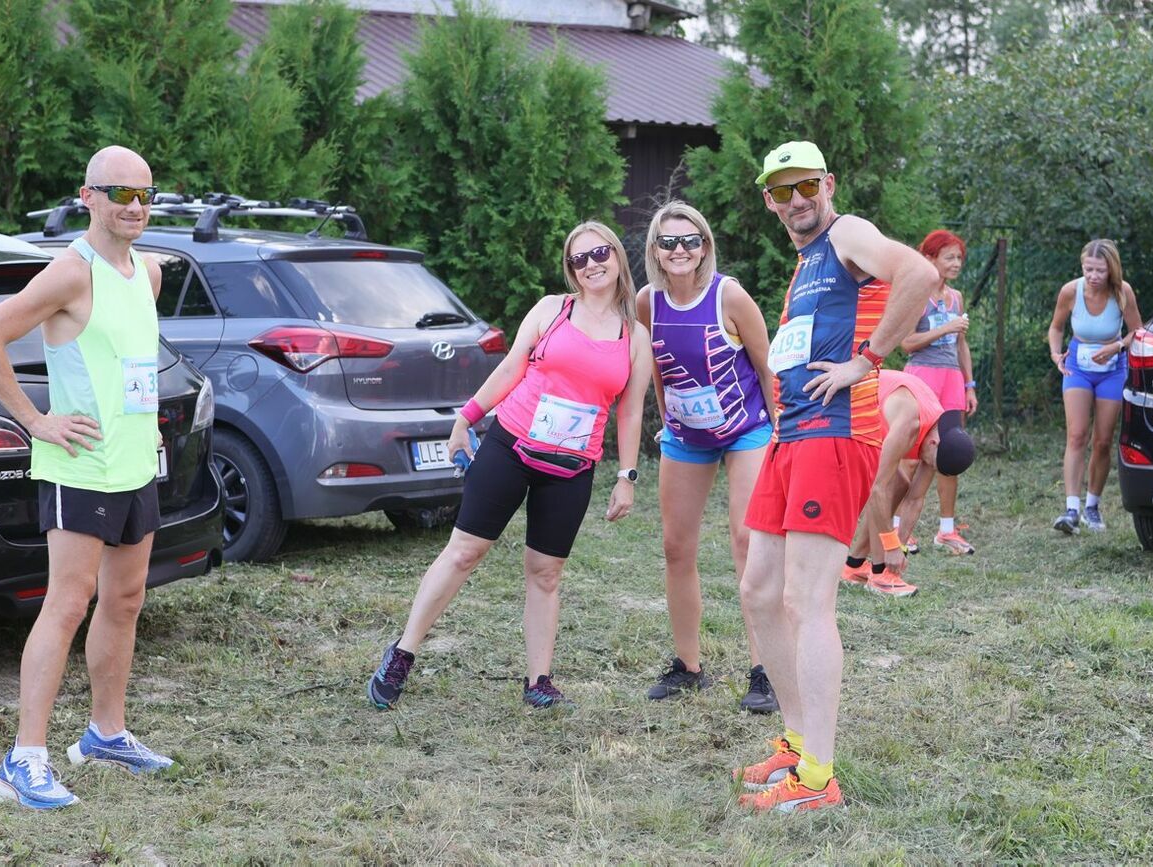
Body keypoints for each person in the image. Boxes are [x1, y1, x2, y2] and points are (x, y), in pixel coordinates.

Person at [0, 146, 173, 810]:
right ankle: (22, 760)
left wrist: (147, 423)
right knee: (67, 604)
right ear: (88, 196)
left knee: (126, 600)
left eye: (145, 194)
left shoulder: (149, 272)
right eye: (120, 193)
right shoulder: (70, 272)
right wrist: (35, 420)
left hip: (134, 464)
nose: (134, 206)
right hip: (80, 467)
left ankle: (106, 734)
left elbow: (130, 359)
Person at [367, 221, 652, 710]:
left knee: (546, 572)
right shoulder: (552, 310)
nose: (591, 264)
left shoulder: (635, 337)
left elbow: (630, 412)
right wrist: (466, 418)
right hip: (510, 446)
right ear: (571, 269)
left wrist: (626, 477)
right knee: (464, 552)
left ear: (617, 256)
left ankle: (538, 680)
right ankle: (402, 653)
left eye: (600, 253)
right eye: (579, 259)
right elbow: (512, 367)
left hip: (571, 467)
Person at [732, 141, 937, 813]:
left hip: (836, 432)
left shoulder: (847, 233)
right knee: (759, 589)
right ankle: (797, 743)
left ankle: (818, 778)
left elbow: (919, 275)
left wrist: (867, 361)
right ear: (769, 200)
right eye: (781, 190)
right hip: (792, 436)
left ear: (829, 185)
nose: (796, 200)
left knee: (806, 599)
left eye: (806, 186)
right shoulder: (806, 262)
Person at [633, 202, 779, 712]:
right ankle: (688, 667)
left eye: (690, 240)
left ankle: (766, 672)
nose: (680, 250)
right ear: (655, 250)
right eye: (668, 241)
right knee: (676, 548)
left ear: (704, 247)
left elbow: (767, 368)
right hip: (686, 437)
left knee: (747, 543)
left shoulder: (729, 296)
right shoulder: (647, 302)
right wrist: (667, 422)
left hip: (747, 431)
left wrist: (780, 434)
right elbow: (656, 369)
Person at [842, 368, 977, 597]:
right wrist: (890, 547)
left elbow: (915, 498)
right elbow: (877, 489)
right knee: (887, 486)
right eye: (932, 464)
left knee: (902, 483)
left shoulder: (937, 439)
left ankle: (854, 566)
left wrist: (900, 548)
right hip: (845, 411)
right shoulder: (910, 424)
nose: (928, 467)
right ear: (934, 444)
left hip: (871, 419)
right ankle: (879, 575)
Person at [1047, 239, 1141, 534]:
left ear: (1111, 269)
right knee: (1076, 435)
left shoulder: (1123, 292)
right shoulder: (1070, 291)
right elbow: (1056, 327)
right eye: (1088, 269)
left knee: (1102, 440)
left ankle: (1092, 506)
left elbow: (1137, 332)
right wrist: (1055, 354)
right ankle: (1071, 509)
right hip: (1077, 367)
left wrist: (1116, 346)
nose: (1093, 276)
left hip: (1112, 370)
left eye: (1100, 270)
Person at [899, 229, 977, 555]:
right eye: (949, 257)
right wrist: (946, 327)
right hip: (922, 378)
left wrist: (969, 385)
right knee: (910, 456)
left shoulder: (956, 297)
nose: (956, 263)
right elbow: (906, 344)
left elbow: (961, 344)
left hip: (952, 381)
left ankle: (946, 530)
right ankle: (898, 528)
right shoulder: (917, 296)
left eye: (959, 258)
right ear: (930, 258)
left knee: (950, 452)